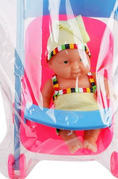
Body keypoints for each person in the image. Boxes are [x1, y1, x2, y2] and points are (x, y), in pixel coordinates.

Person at [41, 16, 102, 153]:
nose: (75, 67)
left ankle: (90, 139)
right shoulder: (54, 81)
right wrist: (44, 108)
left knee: (96, 124)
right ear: (51, 64)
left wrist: (108, 89)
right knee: (63, 127)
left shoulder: (91, 77)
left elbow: (103, 83)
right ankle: (72, 141)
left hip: (91, 112)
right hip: (65, 115)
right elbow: (45, 94)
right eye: (66, 62)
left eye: (81, 60)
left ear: (88, 58)